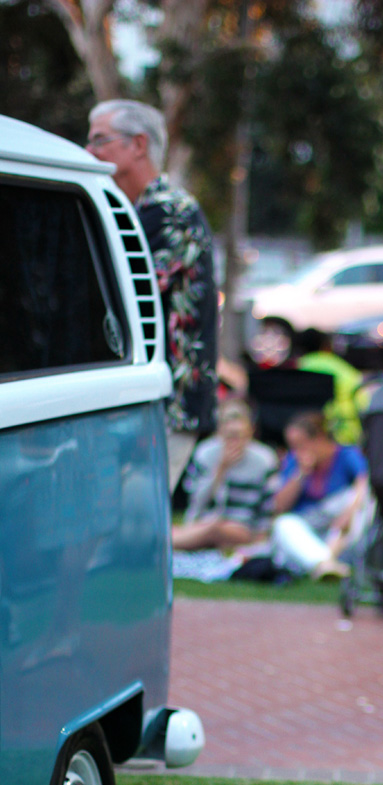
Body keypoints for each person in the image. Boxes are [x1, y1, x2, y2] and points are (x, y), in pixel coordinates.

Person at [86, 100, 218, 484]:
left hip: (168, 403)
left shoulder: (170, 212)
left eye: (99, 140)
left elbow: (114, 290)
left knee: (138, 524)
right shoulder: (135, 211)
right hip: (144, 401)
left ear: (138, 145)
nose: (89, 151)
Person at [271, 412, 368, 578]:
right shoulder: (294, 461)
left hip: (343, 533)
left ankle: (324, 563)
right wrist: (301, 473)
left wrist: (349, 512)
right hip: (310, 533)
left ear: (319, 438)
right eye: (293, 446)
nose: (298, 451)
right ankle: (324, 563)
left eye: (302, 445)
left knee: (361, 499)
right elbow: (279, 507)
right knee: (283, 524)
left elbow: (364, 484)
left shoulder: (346, 455)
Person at [173, 399, 277, 551]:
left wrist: (260, 538)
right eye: (229, 436)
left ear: (250, 431)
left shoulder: (264, 460)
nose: (234, 442)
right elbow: (196, 502)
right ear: (219, 431)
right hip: (204, 522)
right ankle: (178, 540)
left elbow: (268, 506)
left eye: (238, 435)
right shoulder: (205, 453)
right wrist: (221, 470)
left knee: (215, 528)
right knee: (209, 526)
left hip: (243, 527)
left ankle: (168, 546)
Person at [295, 328, 368, 446]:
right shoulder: (344, 369)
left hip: (300, 437)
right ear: (326, 346)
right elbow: (363, 403)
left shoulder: (293, 370)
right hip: (343, 435)